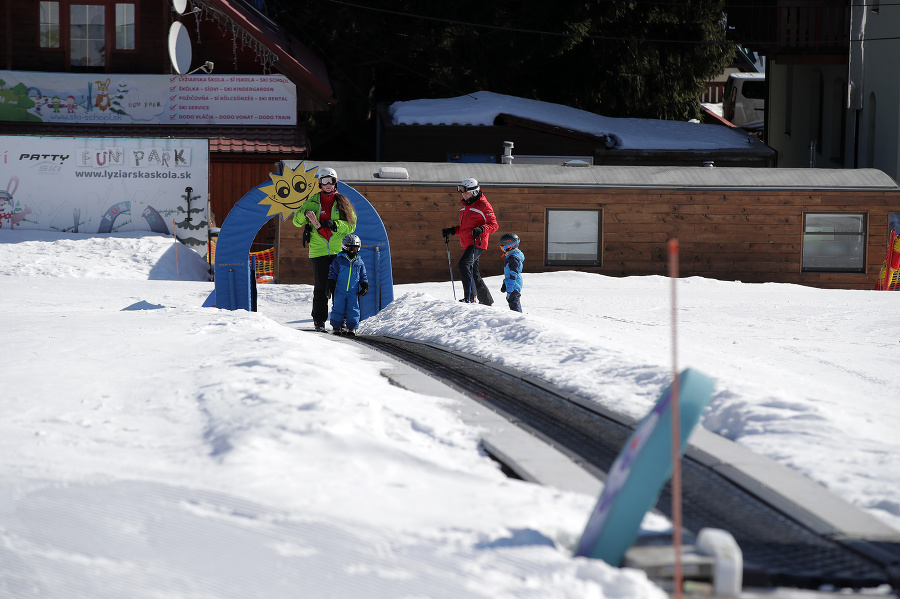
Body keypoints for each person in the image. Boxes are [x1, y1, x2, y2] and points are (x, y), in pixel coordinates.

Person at [292, 167, 357, 332]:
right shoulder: (312, 201)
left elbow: (351, 225)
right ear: (320, 183)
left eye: (331, 181)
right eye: (324, 181)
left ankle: (339, 320)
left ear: (335, 182)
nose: (328, 185)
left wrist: (335, 224)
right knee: (321, 286)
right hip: (318, 251)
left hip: (337, 251)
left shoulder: (342, 201)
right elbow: (296, 221)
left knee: (339, 287)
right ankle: (319, 321)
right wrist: (304, 215)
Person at [441, 177, 498, 305]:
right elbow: (465, 229)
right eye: (462, 192)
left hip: (478, 243)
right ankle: (487, 301)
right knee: (474, 273)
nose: (463, 195)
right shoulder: (465, 207)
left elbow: (494, 225)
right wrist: (451, 231)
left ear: (474, 192)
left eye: (466, 192)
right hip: (468, 243)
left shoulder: (484, 205)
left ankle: (470, 297)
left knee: (463, 265)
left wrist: (481, 229)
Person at [326, 234, 369, 337]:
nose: (352, 250)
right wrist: (331, 282)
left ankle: (352, 327)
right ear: (345, 247)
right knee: (338, 307)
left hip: (353, 291)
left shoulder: (359, 262)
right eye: (350, 248)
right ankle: (336, 326)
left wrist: (365, 285)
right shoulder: (338, 260)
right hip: (340, 290)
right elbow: (332, 272)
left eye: (354, 248)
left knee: (353, 308)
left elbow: (363, 275)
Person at [499, 233, 524, 312]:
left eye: (502, 246)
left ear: (509, 246)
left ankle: (519, 318)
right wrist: (505, 283)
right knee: (512, 300)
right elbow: (509, 272)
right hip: (512, 283)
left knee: (513, 301)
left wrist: (510, 288)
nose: (501, 248)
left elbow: (514, 274)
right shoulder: (511, 255)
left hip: (514, 284)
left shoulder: (513, 258)